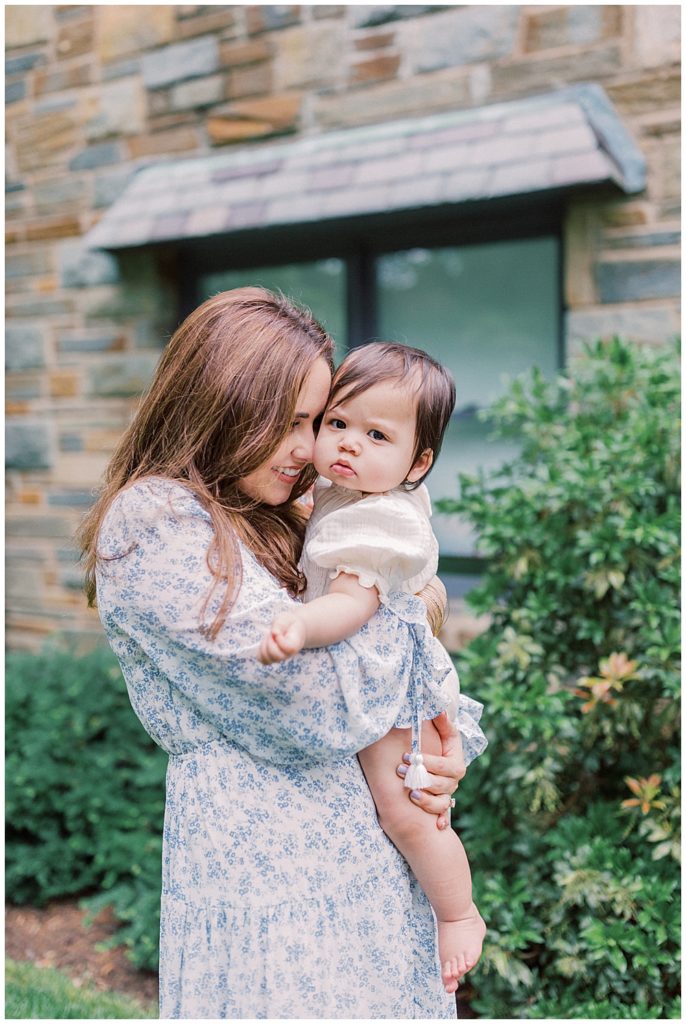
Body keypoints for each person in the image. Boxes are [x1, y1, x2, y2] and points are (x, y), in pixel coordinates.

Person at [78, 287, 485, 1019]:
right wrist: (407, 611)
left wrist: (441, 746)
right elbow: (314, 706)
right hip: (272, 878)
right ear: (223, 404)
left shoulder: (287, 507)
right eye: (294, 422)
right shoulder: (155, 518)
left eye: (316, 420)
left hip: (367, 873)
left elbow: (400, 622)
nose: (313, 449)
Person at [258, 342, 486, 993]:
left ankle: (459, 913)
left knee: (407, 808)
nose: (348, 445)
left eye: (376, 434)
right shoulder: (343, 489)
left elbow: (350, 606)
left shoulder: (384, 519)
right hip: (369, 675)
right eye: (338, 423)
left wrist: (299, 625)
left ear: (418, 463)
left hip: (392, 684)